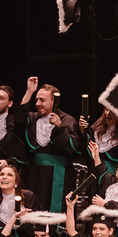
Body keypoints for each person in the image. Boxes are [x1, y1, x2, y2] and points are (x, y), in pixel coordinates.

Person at [20, 78, 81, 213]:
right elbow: (19, 120)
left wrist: (59, 127)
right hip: (36, 174)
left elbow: (74, 149)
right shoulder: (33, 118)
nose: (37, 103)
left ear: (53, 101)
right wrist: (29, 92)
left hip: (59, 174)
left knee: (56, 214)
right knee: (34, 209)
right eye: (36, 100)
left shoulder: (67, 120)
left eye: (42, 100)